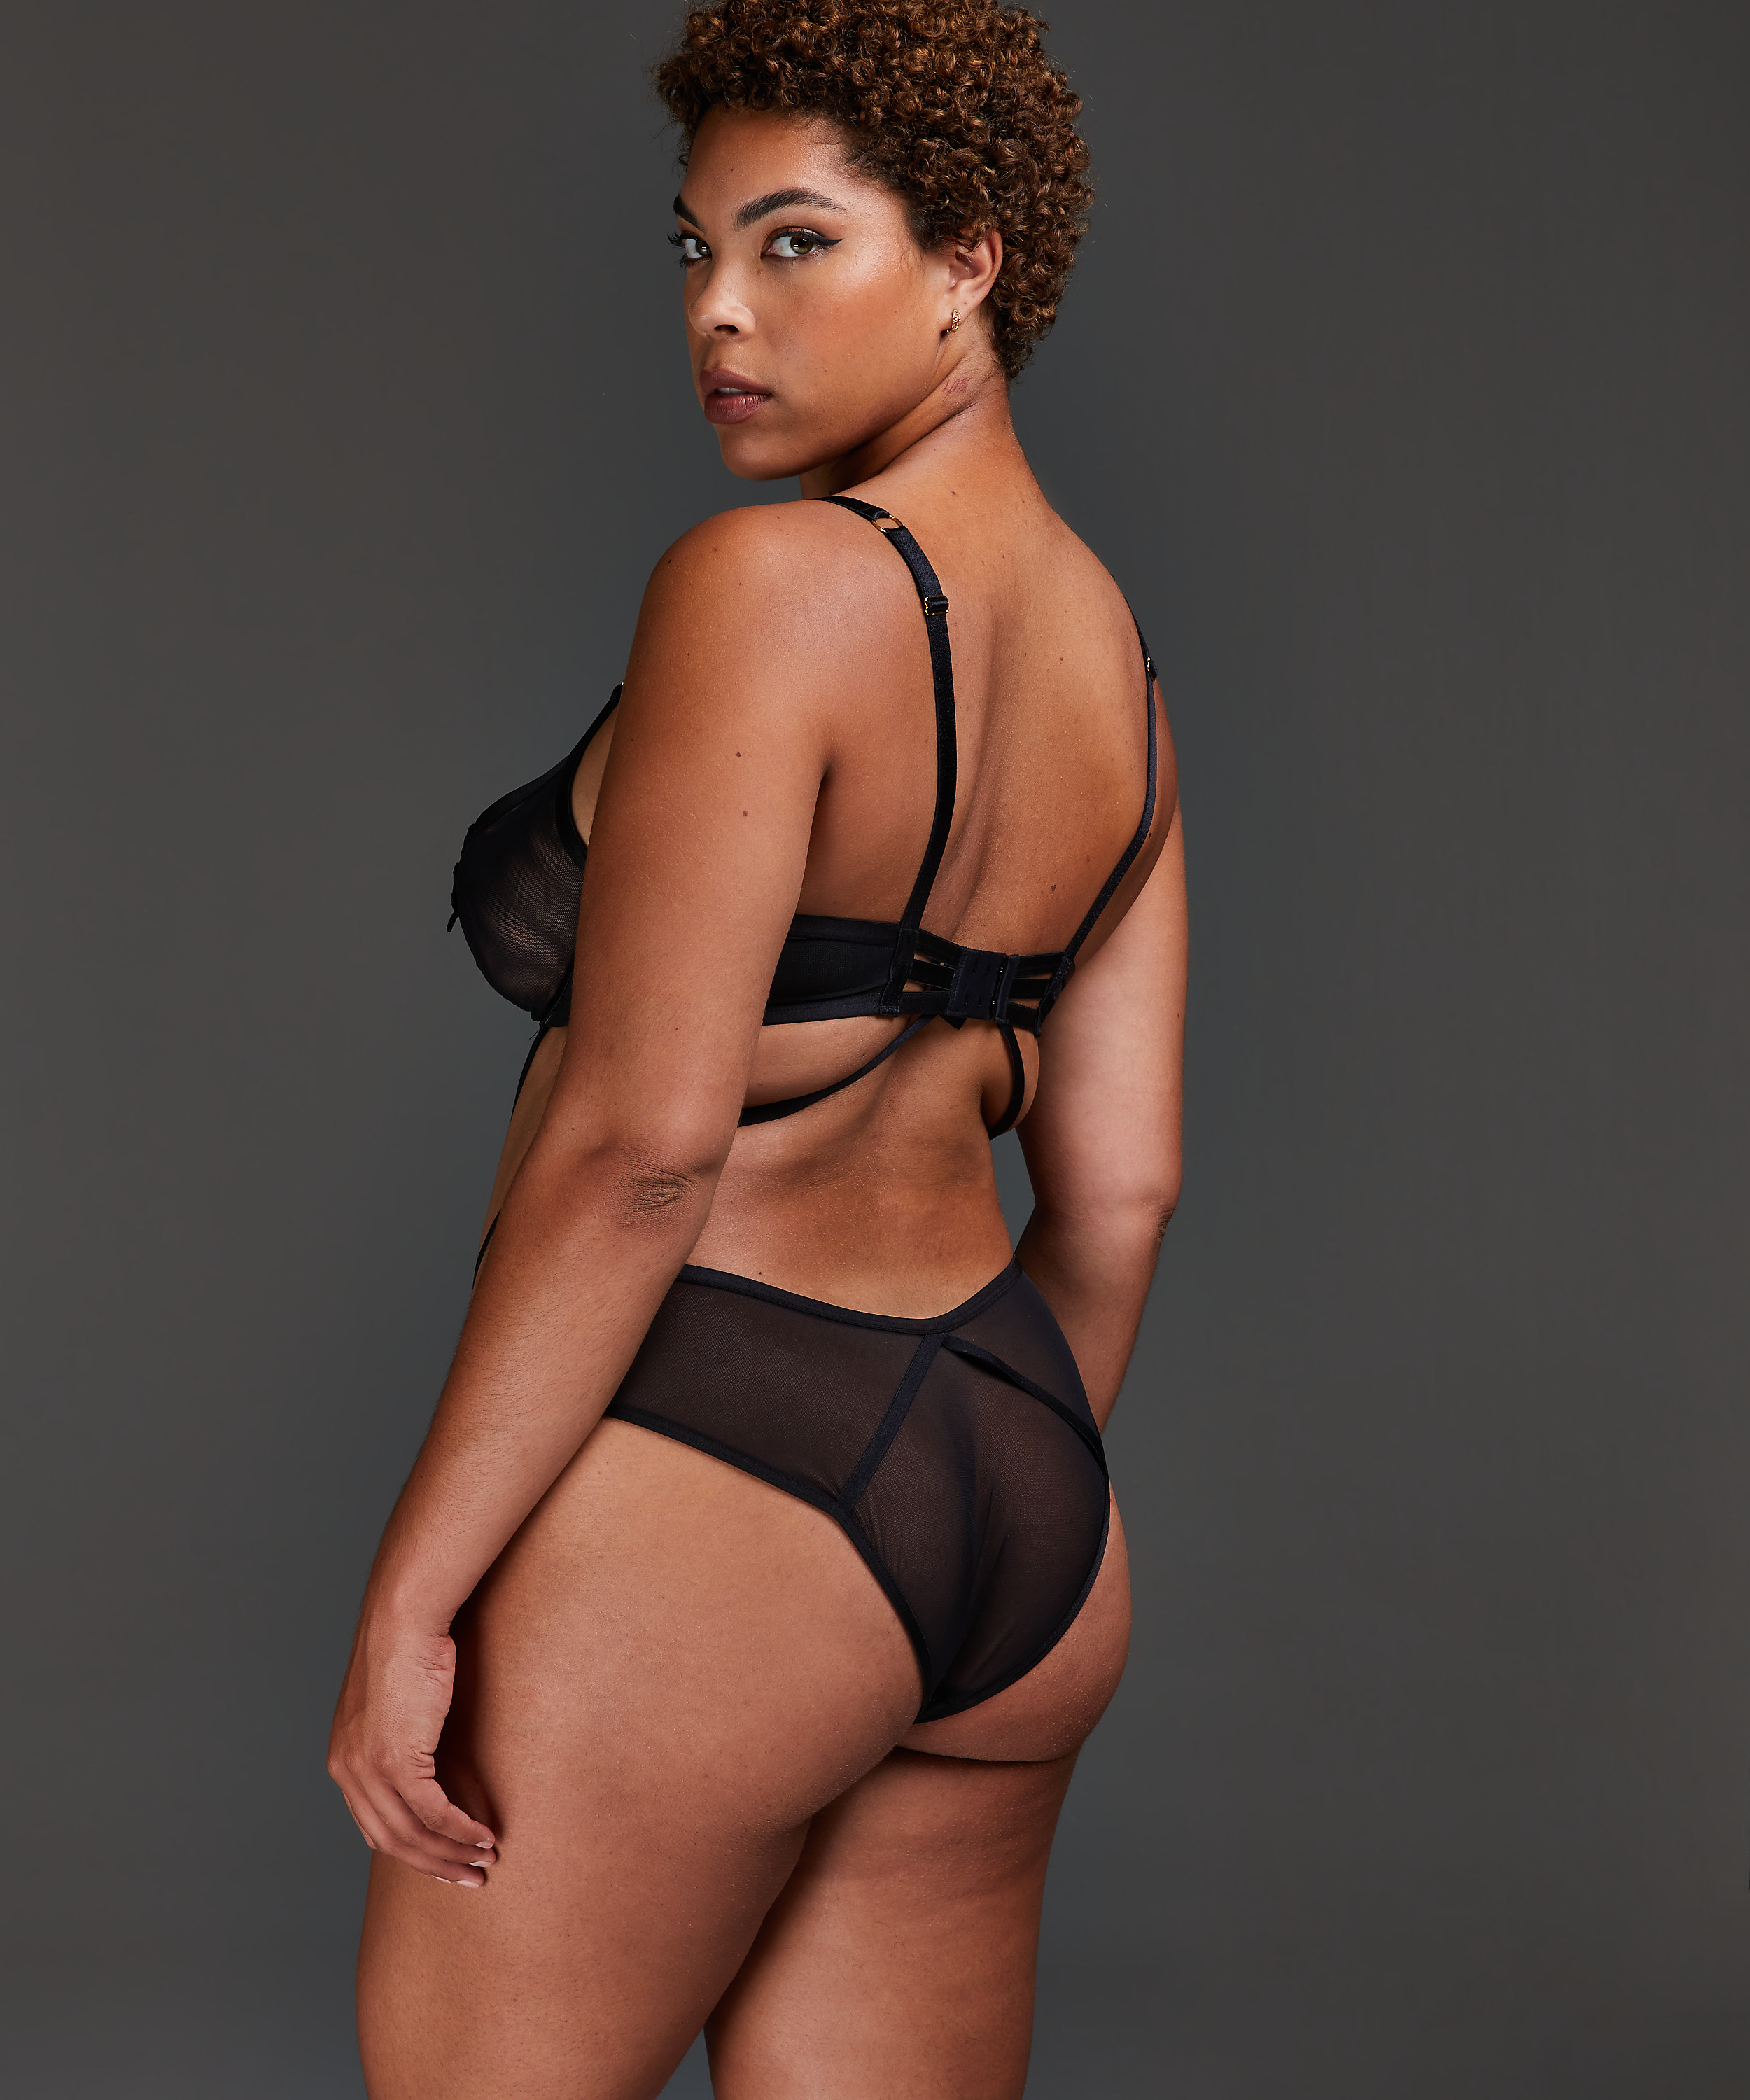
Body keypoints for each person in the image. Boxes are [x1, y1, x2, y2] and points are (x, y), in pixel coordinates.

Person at [327, 4, 1185, 2094]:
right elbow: (1125, 1189)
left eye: (796, 242)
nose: (720, 308)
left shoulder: (771, 587)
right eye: (696, 248)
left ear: (968, 259)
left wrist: (415, 1594)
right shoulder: (1119, 664)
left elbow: (641, 1147)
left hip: (720, 1464)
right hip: (1021, 1493)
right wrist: (980, 1482)